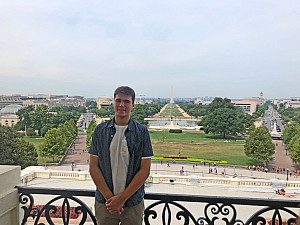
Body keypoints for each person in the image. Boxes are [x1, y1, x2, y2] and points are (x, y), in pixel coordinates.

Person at [89, 86, 153, 225]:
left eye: (126, 101)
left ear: (133, 104)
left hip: (132, 203)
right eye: (118, 100)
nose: (122, 105)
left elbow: (144, 170)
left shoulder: (142, 132)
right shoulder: (100, 130)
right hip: (106, 203)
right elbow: (93, 167)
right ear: (113, 102)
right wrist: (111, 200)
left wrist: (121, 199)